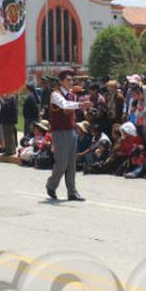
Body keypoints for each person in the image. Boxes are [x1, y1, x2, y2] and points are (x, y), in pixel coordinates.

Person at [45, 68, 91, 201]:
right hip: (59, 132)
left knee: (71, 163)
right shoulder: (56, 94)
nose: (71, 82)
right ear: (61, 81)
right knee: (62, 162)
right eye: (68, 80)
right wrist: (81, 104)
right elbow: (64, 105)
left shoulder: (71, 94)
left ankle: (72, 191)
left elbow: (70, 110)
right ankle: (51, 185)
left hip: (71, 130)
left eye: (72, 79)